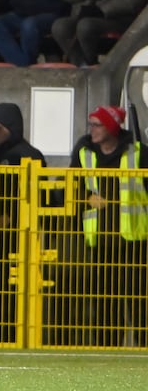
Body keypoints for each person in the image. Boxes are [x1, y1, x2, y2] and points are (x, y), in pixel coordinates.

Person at [69, 105, 148, 346]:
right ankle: (106, 347)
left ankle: (143, 346)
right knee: (104, 299)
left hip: (135, 240)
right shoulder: (84, 153)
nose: (91, 129)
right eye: (91, 124)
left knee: (139, 298)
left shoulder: (139, 153)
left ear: (112, 127)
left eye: (97, 124)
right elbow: (69, 187)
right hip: (100, 240)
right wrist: (85, 197)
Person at [0, 102, 45, 341]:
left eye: (0, 128)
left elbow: (37, 195)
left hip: (20, 237)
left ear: (12, 128)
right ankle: (5, 334)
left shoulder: (29, 155)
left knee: (21, 288)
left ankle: (22, 335)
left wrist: (12, 216)